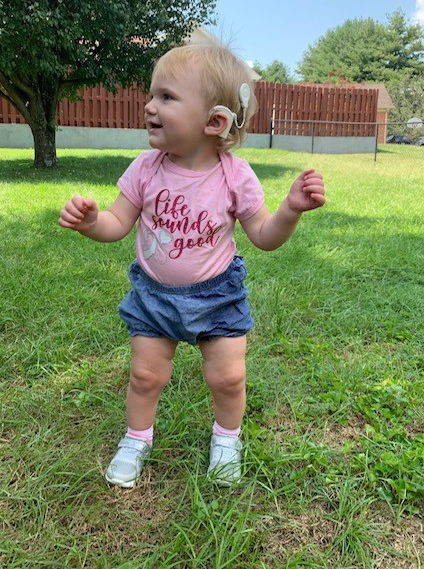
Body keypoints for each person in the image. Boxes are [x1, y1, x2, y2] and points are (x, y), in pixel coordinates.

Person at [58, 43, 325, 488]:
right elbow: (117, 223)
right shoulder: (146, 168)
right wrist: (90, 222)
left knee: (229, 377)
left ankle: (226, 439)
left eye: (166, 97)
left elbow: (263, 236)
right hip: (153, 297)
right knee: (145, 375)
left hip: (217, 296)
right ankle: (137, 437)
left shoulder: (234, 176)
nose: (149, 106)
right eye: (152, 94)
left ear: (215, 121)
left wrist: (290, 210)